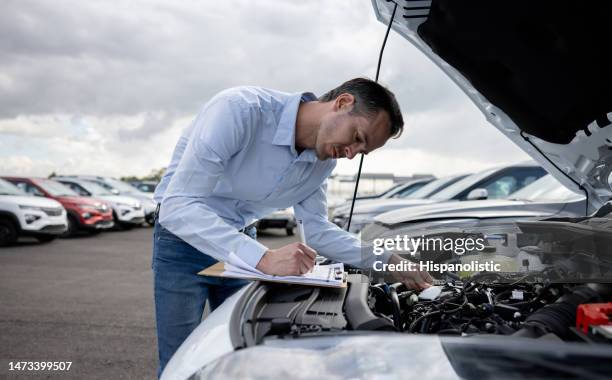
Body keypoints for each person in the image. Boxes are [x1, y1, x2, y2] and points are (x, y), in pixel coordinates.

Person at [152, 78, 433, 376]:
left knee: (243, 356)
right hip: (183, 241)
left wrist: (388, 259)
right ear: (342, 103)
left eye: (361, 151)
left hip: (242, 244)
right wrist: (264, 258)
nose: (351, 153)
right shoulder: (240, 110)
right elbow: (178, 206)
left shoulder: (323, 162)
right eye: (357, 137)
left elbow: (316, 230)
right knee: (179, 361)